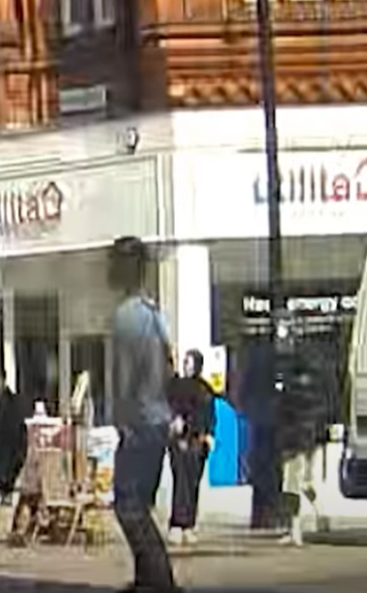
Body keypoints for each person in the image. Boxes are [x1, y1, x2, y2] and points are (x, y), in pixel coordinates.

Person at [108, 237, 179, 593]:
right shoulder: (154, 314)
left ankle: (160, 578)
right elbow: (167, 367)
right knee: (140, 502)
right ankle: (146, 578)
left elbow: (124, 376)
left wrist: (121, 419)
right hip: (159, 418)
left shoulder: (126, 316)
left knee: (128, 504)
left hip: (139, 421)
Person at [166, 349, 216, 546]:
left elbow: (210, 415)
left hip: (198, 441)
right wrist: (174, 421)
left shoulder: (205, 388)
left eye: (190, 362)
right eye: (185, 362)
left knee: (194, 483)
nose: (187, 366)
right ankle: (177, 524)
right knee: (181, 482)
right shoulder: (175, 386)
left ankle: (189, 524)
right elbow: (169, 408)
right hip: (180, 440)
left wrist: (210, 434)